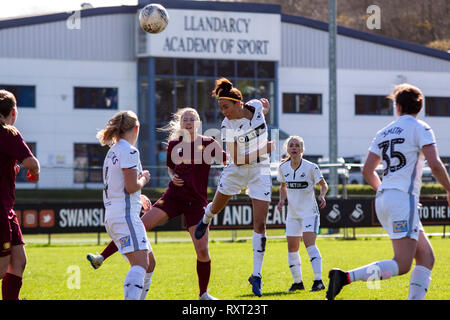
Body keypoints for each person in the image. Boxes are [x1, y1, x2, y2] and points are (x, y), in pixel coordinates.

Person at [87, 107, 227, 300]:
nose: (188, 122)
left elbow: (227, 162)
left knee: (202, 251)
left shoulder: (209, 143)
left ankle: (203, 293)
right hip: (173, 197)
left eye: (192, 119)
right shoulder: (174, 144)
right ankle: (102, 256)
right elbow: (170, 168)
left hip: (196, 202)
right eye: (185, 119)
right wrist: (173, 176)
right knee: (139, 226)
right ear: (180, 124)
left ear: (199, 123)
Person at [326, 84, 450, 300]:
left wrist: (386, 191)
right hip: (402, 199)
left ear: (398, 106)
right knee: (402, 264)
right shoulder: (420, 128)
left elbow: (367, 170)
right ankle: (345, 277)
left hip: (384, 197)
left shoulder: (383, 132)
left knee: (427, 257)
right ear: (419, 107)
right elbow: (436, 165)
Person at [194, 78, 275, 297]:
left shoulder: (255, 107)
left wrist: (266, 106)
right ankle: (207, 217)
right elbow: (238, 160)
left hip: (260, 171)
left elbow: (264, 107)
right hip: (237, 169)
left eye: (226, 107)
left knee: (260, 224)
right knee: (217, 207)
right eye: (221, 108)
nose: (224, 112)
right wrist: (265, 148)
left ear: (238, 103)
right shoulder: (226, 125)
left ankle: (256, 275)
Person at [96, 110, 154, 300]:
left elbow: (121, 186)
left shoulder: (112, 151)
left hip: (115, 214)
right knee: (140, 264)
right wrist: (144, 178)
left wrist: (139, 197)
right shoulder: (129, 150)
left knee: (149, 263)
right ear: (136, 129)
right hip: (125, 216)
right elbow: (131, 186)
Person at [0, 90, 40, 300]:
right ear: (13, 112)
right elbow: (32, 163)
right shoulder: (8, 132)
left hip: (7, 210)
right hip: (0, 209)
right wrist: (35, 172)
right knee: (1, 269)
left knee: (18, 261)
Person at [276, 136, 328, 292]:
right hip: (292, 214)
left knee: (309, 244)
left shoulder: (311, 167)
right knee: (292, 248)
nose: (294, 148)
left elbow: (323, 185)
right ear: (287, 149)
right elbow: (283, 187)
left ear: (302, 150)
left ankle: (318, 280)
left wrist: (322, 195)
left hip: (309, 213)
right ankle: (297, 282)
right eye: (291, 145)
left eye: (297, 145)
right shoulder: (283, 168)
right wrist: (281, 200)